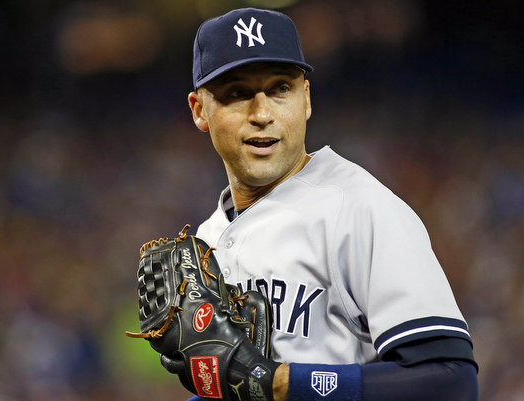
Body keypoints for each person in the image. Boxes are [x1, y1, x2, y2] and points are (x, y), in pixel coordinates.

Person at [182, 7, 478, 401]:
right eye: (236, 94)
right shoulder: (207, 239)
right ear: (200, 110)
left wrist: (285, 383)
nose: (262, 113)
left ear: (306, 98)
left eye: (279, 89)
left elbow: (450, 381)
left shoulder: (361, 210)